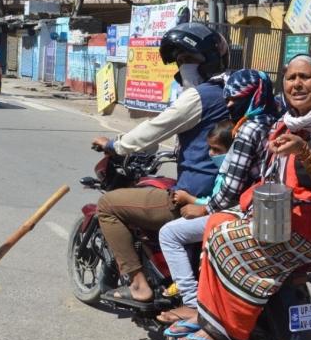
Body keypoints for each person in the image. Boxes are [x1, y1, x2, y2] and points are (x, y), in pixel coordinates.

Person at [173, 54, 311, 340]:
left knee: (224, 240)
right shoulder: (288, 121)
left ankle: (228, 328)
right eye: (290, 78)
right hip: (288, 215)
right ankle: (208, 313)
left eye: (305, 77)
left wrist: (304, 153)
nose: (296, 83)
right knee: (216, 223)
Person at [90, 23, 230, 304]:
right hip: (229, 191)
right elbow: (167, 128)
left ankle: (138, 284)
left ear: (209, 60)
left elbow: (155, 128)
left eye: (189, 59)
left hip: (196, 192)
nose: (183, 66)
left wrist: (115, 145)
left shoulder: (199, 96)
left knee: (107, 206)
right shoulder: (233, 91)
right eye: (179, 61)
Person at [158, 70, 282, 328]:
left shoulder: (249, 129)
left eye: (234, 99)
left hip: (241, 211)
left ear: (252, 97)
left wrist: (202, 208)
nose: (228, 105)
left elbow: (231, 188)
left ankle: (191, 302)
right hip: (270, 210)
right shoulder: (275, 121)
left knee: (170, 234)